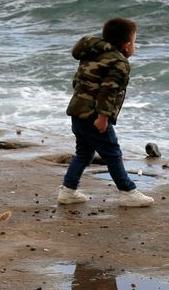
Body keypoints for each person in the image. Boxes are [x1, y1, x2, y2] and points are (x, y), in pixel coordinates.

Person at [57, 17, 155, 207]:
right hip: (95, 116)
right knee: (112, 153)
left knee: (84, 153)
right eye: (134, 42)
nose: (134, 46)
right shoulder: (119, 63)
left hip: (78, 111)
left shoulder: (92, 53)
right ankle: (128, 192)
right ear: (127, 46)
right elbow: (108, 91)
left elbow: (78, 81)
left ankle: (68, 191)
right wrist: (103, 117)